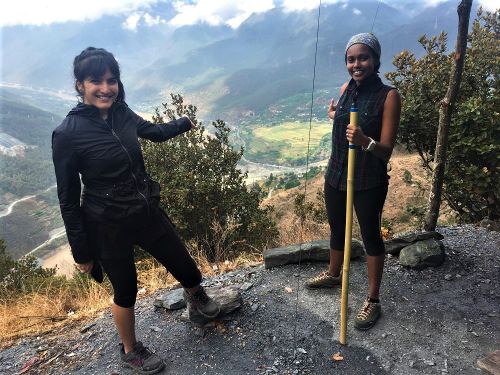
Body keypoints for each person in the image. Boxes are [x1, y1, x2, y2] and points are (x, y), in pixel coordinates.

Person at [52, 47, 220, 374]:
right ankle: (130, 350)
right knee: (126, 288)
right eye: (95, 80)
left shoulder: (121, 112)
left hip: (144, 209)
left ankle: (196, 300)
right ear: (80, 85)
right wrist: (81, 251)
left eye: (111, 80)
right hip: (106, 223)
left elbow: (154, 133)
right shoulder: (67, 134)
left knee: (185, 265)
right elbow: (68, 198)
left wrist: (185, 121)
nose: (105, 87)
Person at [305, 33, 401, 331]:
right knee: (337, 226)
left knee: (370, 235)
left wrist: (364, 141)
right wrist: (335, 114)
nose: (356, 64)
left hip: (368, 179)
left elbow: (386, 150)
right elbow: (344, 118)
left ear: (375, 60)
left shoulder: (389, 96)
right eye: (351, 59)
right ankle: (334, 274)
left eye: (363, 57)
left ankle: (372, 300)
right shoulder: (346, 88)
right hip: (336, 173)